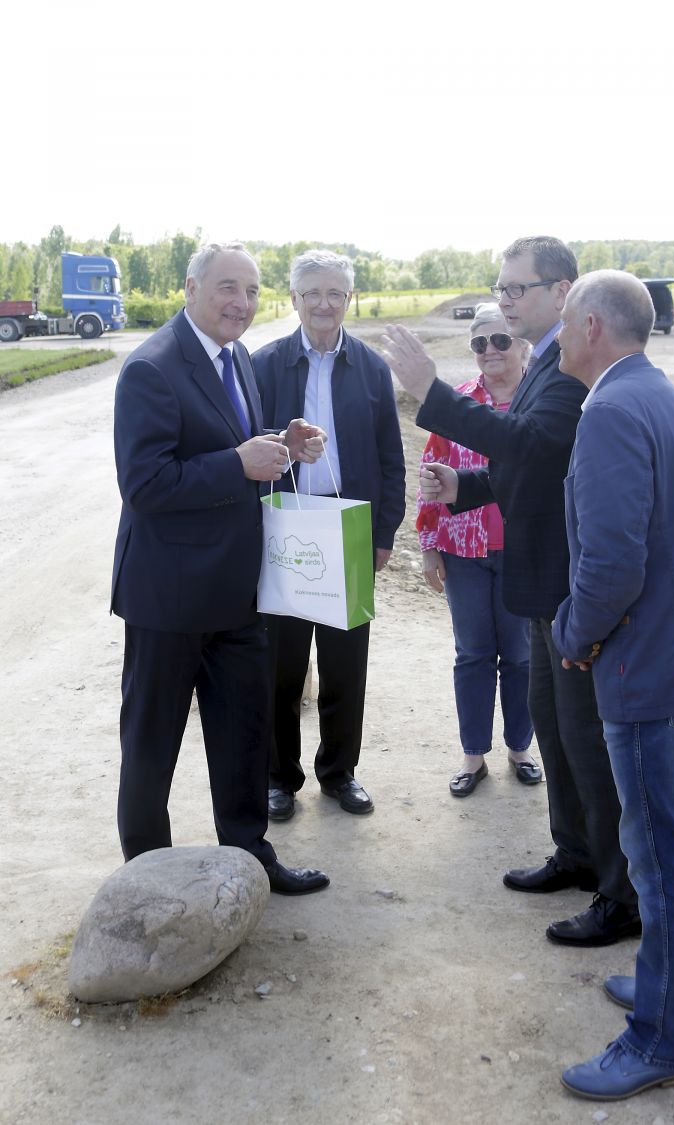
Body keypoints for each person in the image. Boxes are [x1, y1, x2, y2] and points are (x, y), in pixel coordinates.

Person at [381, 236, 638, 947]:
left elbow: (531, 444)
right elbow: (530, 461)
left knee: (584, 739)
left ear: (562, 292)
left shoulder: (568, 365)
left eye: (516, 288)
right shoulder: (547, 357)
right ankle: (576, 853)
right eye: (500, 288)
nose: (504, 300)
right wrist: (465, 487)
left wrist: (431, 392)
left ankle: (620, 894)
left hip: (565, 586)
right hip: (540, 582)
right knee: (554, 729)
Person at [551, 269, 674, 1101]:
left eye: (566, 322)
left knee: (664, 860)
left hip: (650, 667)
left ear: (594, 326)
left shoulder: (610, 412)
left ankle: (660, 1039)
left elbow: (612, 565)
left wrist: (573, 634)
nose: (558, 337)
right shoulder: (662, 395)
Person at [111, 242, 330, 896]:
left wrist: (283, 445)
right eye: (228, 287)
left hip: (237, 593)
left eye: (252, 290)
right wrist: (238, 463)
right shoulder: (150, 368)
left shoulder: (238, 359)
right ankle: (146, 878)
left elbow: (233, 448)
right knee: (151, 747)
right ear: (190, 287)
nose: (242, 302)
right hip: (168, 600)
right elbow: (145, 483)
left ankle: (251, 856)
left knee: (243, 737)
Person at [252, 250, 405, 821]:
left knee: (346, 663)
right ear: (294, 299)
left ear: (349, 299)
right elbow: (242, 443)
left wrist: (384, 533)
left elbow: (391, 459)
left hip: (348, 529)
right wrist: (284, 446)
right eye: (312, 293)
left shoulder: (371, 368)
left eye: (335, 293)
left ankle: (340, 772)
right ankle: (279, 779)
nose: (323, 303)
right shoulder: (264, 364)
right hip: (285, 529)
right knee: (281, 664)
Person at [416, 303, 539, 795]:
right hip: (463, 552)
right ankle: (473, 756)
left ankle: (520, 748)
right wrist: (429, 546)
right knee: (472, 654)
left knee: (521, 656)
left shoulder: (542, 401)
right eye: (479, 343)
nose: (490, 350)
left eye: (501, 340)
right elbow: (429, 477)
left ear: (523, 345)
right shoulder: (458, 404)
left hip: (524, 553)